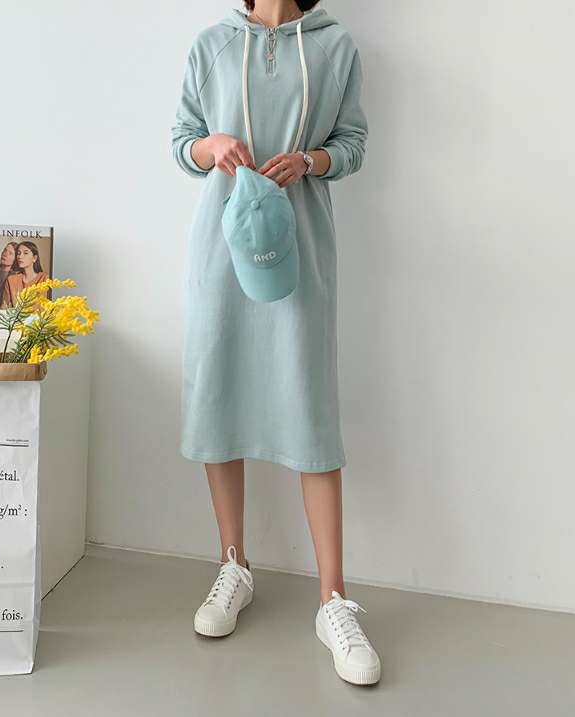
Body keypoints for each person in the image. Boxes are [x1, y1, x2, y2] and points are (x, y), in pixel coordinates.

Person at [171, 1, 379, 685]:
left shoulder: (335, 46)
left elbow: (353, 142)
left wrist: (312, 159)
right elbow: (181, 141)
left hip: (302, 246)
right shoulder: (211, 44)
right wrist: (212, 148)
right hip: (220, 247)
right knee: (219, 392)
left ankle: (333, 600)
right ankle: (234, 563)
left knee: (309, 407)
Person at [0, 241, 50, 308]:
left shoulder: (45, 279)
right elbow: (4, 308)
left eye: (25, 253)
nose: (20, 256)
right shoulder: (11, 280)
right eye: (18, 253)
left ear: (34, 258)